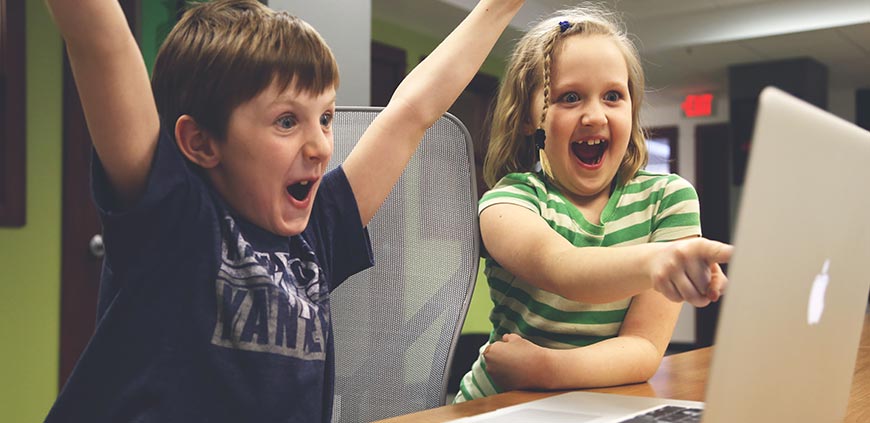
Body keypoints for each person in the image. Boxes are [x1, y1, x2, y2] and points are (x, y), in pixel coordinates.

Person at [42, 0, 523, 421]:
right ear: (201, 142)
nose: (319, 147)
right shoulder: (172, 216)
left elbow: (413, 111)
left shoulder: (318, 232)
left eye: (326, 118)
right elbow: (99, 41)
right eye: (287, 121)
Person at [454, 4, 732, 403]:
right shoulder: (507, 203)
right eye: (570, 97)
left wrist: (547, 370)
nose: (594, 115)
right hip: (500, 404)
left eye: (613, 96)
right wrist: (658, 260)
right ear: (531, 117)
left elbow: (644, 348)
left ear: (632, 109)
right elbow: (564, 268)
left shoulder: (669, 199)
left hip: (596, 404)